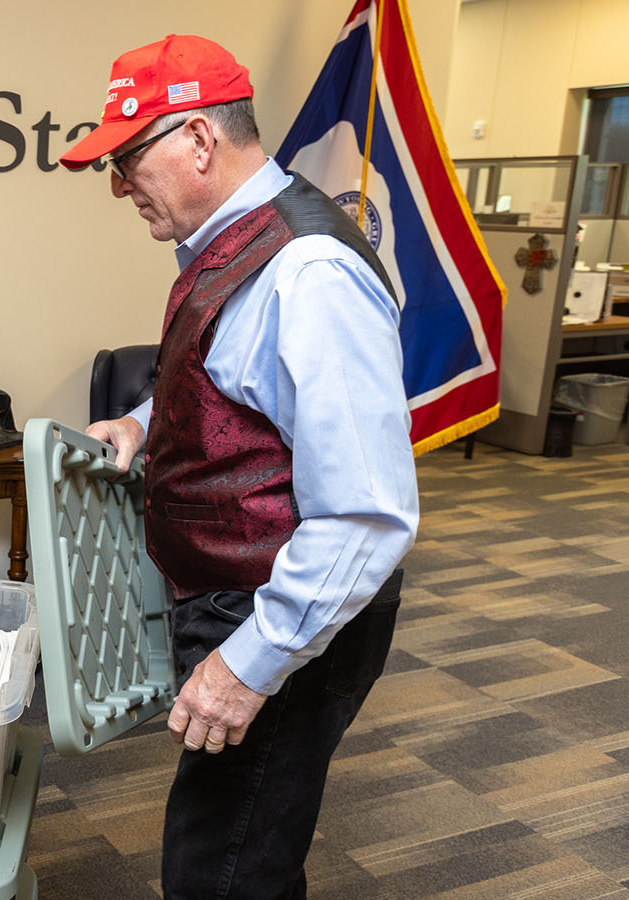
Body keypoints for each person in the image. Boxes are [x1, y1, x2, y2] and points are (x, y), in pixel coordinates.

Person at [61, 35, 419, 898]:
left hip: (282, 612)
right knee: (235, 854)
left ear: (197, 141)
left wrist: (246, 664)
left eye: (126, 158)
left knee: (221, 872)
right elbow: (248, 384)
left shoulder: (311, 273)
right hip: (244, 599)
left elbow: (365, 515)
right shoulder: (238, 242)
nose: (117, 186)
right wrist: (148, 424)